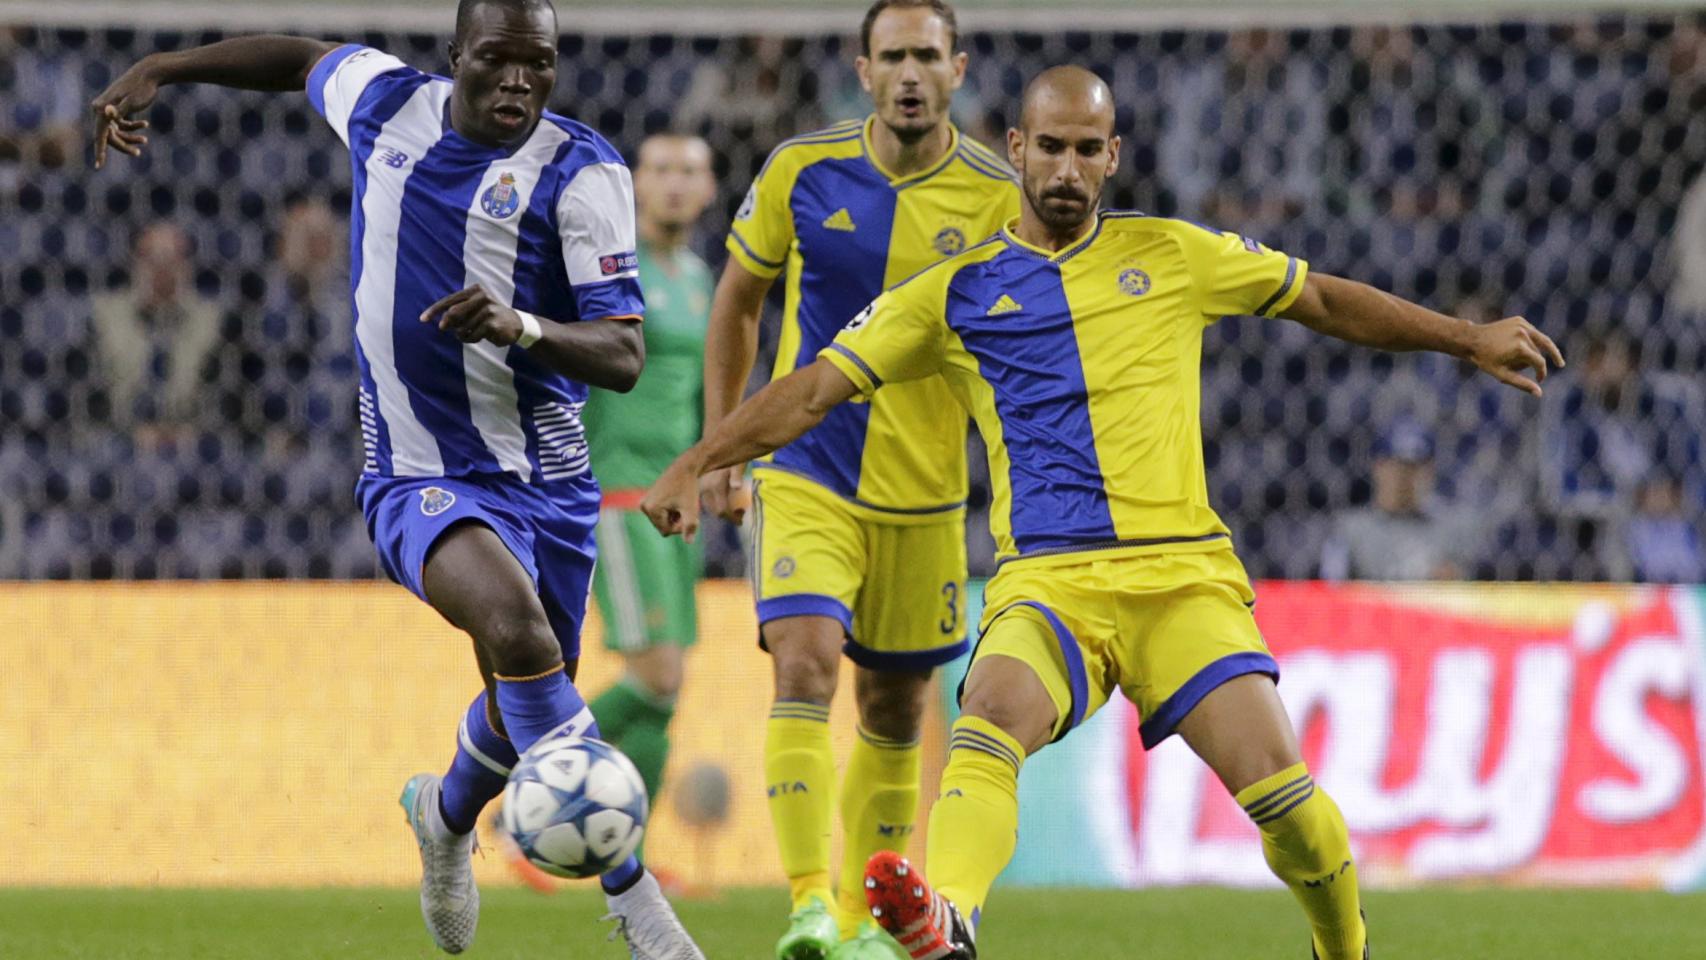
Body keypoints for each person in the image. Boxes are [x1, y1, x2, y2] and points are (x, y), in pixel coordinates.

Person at [642, 66, 1563, 960]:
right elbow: (811, 390)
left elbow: (1319, 297)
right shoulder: (953, 293)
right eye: (1051, 147)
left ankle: (1343, 946)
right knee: (988, 718)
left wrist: (1466, 338)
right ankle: (950, 924)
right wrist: (698, 460)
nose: (1068, 168)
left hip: (1179, 581)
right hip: (1050, 585)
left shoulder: (1174, 254)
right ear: (1016, 148)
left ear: (1113, 155)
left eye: (1088, 149)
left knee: (1288, 809)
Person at [89, 3, 705, 958]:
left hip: (549, 485)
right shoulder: (385, 105)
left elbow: (622, 354)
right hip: (417, 471)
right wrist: (164, 66)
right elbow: (296, 57)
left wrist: (520, 326)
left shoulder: (585, 173)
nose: (518, 81)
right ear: (456, 56)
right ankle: (637, 901)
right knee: (518, 633)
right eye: (496, 60)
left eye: (538, 64)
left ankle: (444, 817)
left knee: (521, 698)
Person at [698, 1, 1019, 956]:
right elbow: (739, 303)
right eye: (894, 56)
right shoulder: (803, 169)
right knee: (804, 663)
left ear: (959, 69)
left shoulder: (999, 198)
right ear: (863, 69)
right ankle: (806, 904)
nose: (911, 73)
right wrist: (724, 444)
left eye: (928, 55)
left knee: (895, 708)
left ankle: (856, 922)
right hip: (807, 469)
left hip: (927, 493)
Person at [581, 133, 718, 833]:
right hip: (621, 492)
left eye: (689, 171)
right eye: (661, 169)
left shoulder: (698, 279)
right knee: (656, 675)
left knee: (668, 692)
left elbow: (699, 391)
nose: (675, 183)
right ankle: (513, 782)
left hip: (677, 501)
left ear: (710, 189)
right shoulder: (611, 273)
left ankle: (627, 862)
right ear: (636, 183)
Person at [1319, 418, 1478, 581]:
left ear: (1430, 471)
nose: (1404, 477)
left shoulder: (1452, 527)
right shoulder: (1350, 529)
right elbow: (1331, 586)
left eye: (1414, 467)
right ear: (1377, 467)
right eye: (1397, 466)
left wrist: (1453, 580)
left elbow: (1472, 583)